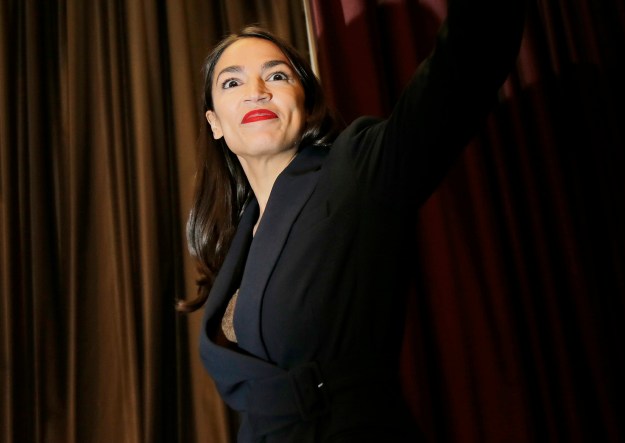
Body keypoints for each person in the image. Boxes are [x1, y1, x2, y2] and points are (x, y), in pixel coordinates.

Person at [178, 0, 526, 441]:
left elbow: (461, 70)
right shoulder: (236, 237)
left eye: (278, 75)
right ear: (215, 124)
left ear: (306, 102)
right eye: (232, 82)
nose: (257, 90)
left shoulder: (354, 170)